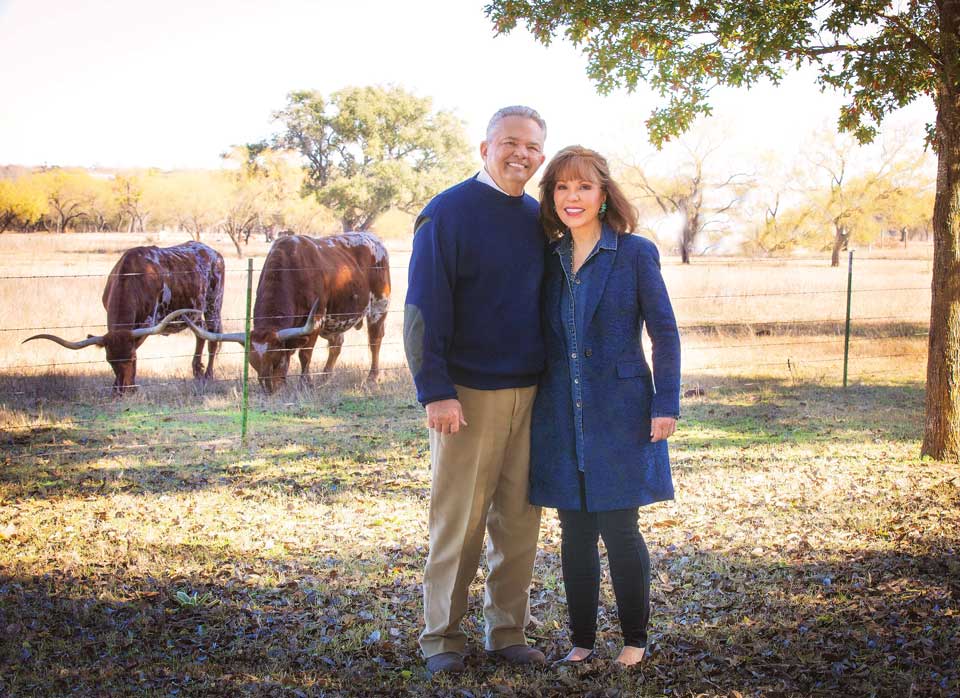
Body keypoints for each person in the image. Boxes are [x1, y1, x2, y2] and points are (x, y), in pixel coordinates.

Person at [403, 106, 549, 676]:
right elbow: (422, 310)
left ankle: (507, 631)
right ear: (484, 147)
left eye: (532, 146)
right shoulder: (448, 213)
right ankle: (441, 638)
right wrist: (435, 390)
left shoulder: (539, 218)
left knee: (519, 521)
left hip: (530, 393)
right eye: (510, 142)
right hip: (466, 395)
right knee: (458, 522)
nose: (521, 154)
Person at [529, 145, 681, 668]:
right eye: (562, 187)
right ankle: (583, 641)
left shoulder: (635, 253)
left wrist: (666, 403)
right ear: (551, 196)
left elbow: (664, 332)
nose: (573, 197)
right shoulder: (547, 257)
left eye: (584, 187)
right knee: (574, 532)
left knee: (619, 528)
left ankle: (635, 640)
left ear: (603, 193)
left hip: (622, 412)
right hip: (560, 414)